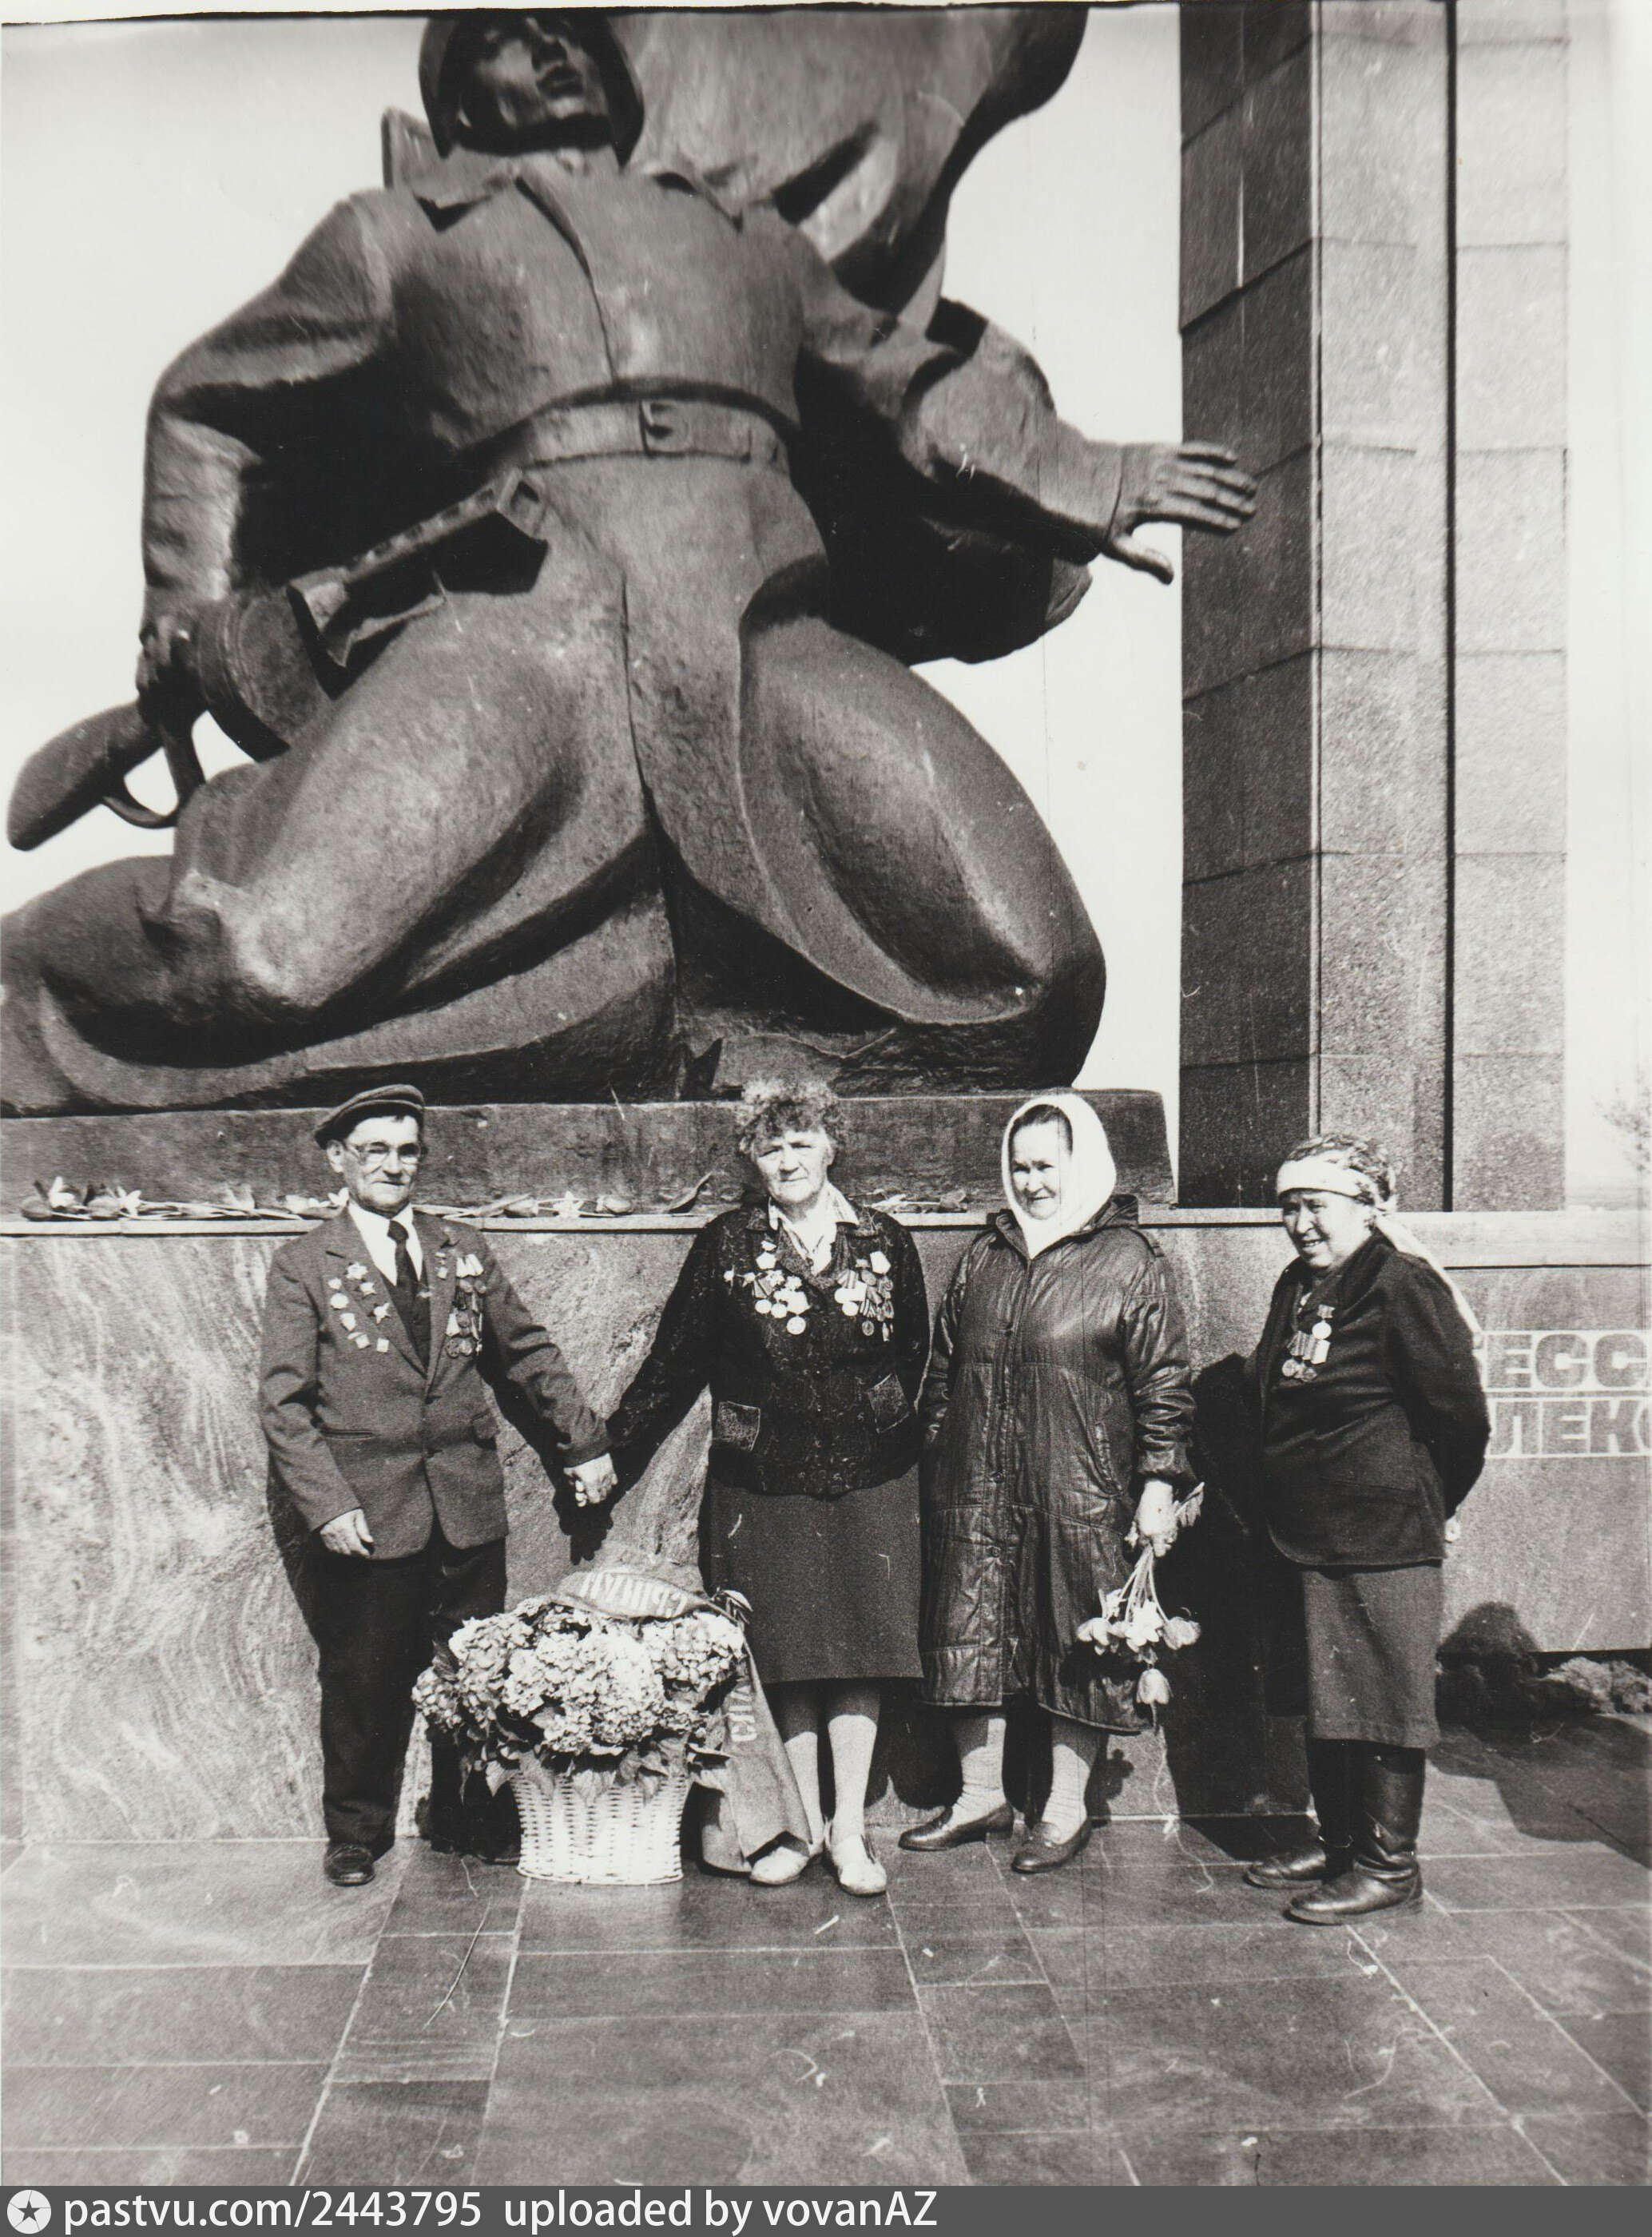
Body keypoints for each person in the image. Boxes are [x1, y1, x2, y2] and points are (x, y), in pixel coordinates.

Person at [1, 10, 1255, 1112]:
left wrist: (1086, 473)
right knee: (260, 955)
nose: (557, 48)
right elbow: (209, 401)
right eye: (514, 35)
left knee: (1032, 972)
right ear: (458, 96)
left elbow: (905, 385)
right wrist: (186, 609)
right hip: (520, 631)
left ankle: (685, 1037)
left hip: (755, 635)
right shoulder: (396, 236)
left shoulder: (747, 234)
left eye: (577, 34)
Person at [259, 1083, 616, 1885]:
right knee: (363, 1676)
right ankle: (356, 1831)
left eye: (407, 1151)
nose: (394, 1166)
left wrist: (583, 1440)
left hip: (463, 1501)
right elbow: (283, 1406)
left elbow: (526, 1353)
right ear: (339, 1159)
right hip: (368, 1512)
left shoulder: (461, 1248)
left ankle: (468, 1815)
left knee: (475, 1668)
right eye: (375, 1151)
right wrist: (328, 1503)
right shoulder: (305, 1265)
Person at [607, 1082, 928, 1896]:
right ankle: (801, 1826)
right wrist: (610, 1452)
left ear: (832, 1146)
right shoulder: (726, 1244)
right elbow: (674, 1360)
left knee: (860, 1650)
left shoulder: (887, 1241)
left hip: (871, 1478)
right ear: (752, 1159)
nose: (788, 1160)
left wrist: (876, 1424)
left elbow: (914, 1352)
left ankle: (850, 1832)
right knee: (784, 1656)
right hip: (762, 1479)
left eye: (802, 1141)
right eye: (770, 1145)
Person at [904, 1092, 1196, 1873]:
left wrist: (1158, 1482)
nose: (1032, 1183)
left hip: (1079, 1489)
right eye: (1020, 1167)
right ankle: (980, 1796)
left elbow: (1165, 1386)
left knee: (1077, 1641)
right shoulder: (986, 1255)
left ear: (1083, 1164)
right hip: (976, 1483)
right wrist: (938, 1447)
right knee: (970, 1631)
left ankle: (1064, 1809)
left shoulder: (1129, 1261)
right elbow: (943, 1368)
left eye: (1046, 1167)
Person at [1243, 1134, 1490, 1924]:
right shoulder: (1301, 1282)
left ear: (1367, 1207)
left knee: (1380, 1702)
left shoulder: (1401, 1283)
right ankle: (1341, 1844)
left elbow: (1460, 1420)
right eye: (1288, 1208)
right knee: (1330, 1699)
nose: (1300, 1224)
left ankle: (1389, 1866)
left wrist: (1423, 1502)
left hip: (1379, 1538)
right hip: (1305, 1536)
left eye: (1315, 1206)